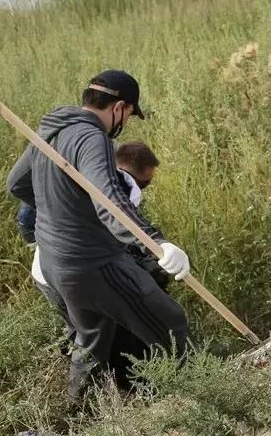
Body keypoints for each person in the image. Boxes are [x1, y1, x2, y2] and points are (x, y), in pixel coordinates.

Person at [6, 70, 192, 398]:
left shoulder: (52, 128)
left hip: (53, 262)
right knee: (170, 322)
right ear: (119, 107)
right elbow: (111, 202)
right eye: (129, 116)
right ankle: (202, 394)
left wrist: (64, 209)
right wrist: (159, 243)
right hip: (92, 263)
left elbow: (18, 184)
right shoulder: (93, 138)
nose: (124, 124)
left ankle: (76, 414)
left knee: (93, 341)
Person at [25, 141, 166, 354]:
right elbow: (117, 242)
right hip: (73, 274)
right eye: (143, 184)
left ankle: (74, 351)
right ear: (125, 172)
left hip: (47, 271)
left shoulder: (79, 175)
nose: (141, 190)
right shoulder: (123, 190)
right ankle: (90, 377)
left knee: (85, 332)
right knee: (96, 343)